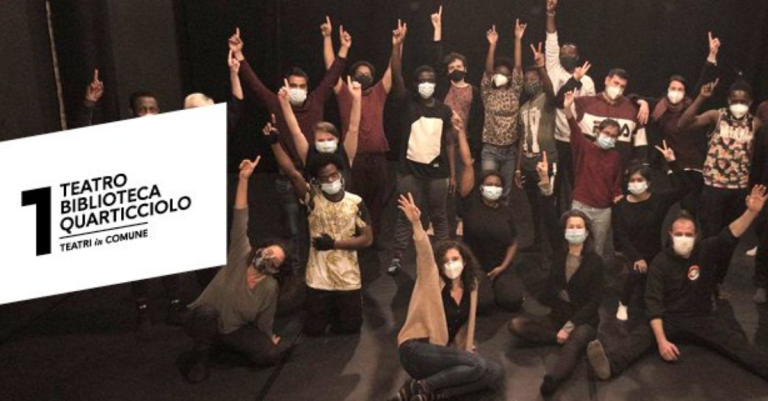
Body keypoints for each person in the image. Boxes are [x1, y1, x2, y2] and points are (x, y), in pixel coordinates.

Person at [587, 187, 768, 382]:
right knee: (638, 338)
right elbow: (653, 305)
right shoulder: (660, 262)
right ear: (671, 235)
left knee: (735, 342)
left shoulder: (705, 250)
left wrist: (751, 212)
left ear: (696, 236)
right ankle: (609, 366)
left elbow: (731, 233)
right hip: (669, 318)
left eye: (688, 234)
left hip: (701, 317)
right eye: (679, 234)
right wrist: (662, 342)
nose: (683, 238)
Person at [229, 25, 347, 276]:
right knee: (292, 230)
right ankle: (295, 273)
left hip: (315, 177)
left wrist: (344, 48)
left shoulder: (316, 100)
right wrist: (239, 54)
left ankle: (323, 269)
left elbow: (332, 75)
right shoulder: (276, 102)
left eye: (302, 86)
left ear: (307, 87)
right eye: (293, 85)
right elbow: (254, 84)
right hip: (287, 178)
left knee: (322, 225)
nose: (297, 89)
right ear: (286, 85)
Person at [183, 155, 288, 383]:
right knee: (207, 313)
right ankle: (201, 357)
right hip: (202, 320)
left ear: (277, 269)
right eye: (268, 251)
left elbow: (265, 320)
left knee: (270, 354)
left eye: (275, 260)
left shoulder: (269, 287)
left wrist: (268, 339)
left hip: (231, 331)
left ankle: (221, 347)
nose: (268, 257)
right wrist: (244, 179)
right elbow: (241, 214)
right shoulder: (240, 255)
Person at [265, 122, 373, 336]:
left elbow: (367, 239)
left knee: (350, 329)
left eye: (333, 175)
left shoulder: (355, 202)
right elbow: (293, 174)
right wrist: (275, 143)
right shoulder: (313, 199)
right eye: (325, 178)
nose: (331, 180)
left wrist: (334, 244)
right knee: (313, 331)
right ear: (318, 181)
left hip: (348, 279)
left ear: (340, 174)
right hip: (318, 279)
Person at [393, 193, 503, 401]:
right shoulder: (431, 280)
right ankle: (419, 387)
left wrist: (466, 347)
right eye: (446, 261)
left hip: (443, 353)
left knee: (494, 372)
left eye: (455, 259)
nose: (451, 264)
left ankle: (435, 395)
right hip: (417, 349)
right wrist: (416, 224)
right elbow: (425, 254)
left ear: (464, 261)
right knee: (477, 365)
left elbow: (462, 327)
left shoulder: (471, 288)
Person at [678, 78, 762, 298]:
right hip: (713, 189)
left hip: (738, 190)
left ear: (750, 102)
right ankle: (702, 279)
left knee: (731, 238)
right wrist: (701, 98)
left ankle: (718, 281)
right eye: (735, 100)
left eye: (743, 100)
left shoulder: (755, 123)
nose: (739, 104)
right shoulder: (716, 116)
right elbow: (683, 124)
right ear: (728, 100)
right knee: (710, 238)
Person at [508, 209, 605, 396]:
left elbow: (594, 303)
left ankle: (554, 378)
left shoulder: (596, 262)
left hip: (583, 321)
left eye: (579, 227)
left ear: (586, 233)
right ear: (565, 232)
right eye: (571, 227)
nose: (575, 230)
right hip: (558, 316)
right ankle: (557, 338)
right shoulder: (559, 256)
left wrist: (568, 327)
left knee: (574, 343)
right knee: (516, 325)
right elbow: (551, 289)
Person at [387, 21, 456, 275]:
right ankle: (397, 257)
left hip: (438, 173)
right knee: (405, 215)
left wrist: (453, 175)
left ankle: (443, 256)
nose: (426, 83)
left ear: (436, 84)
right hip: (409, 172)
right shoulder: (408, 104)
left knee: (440, 217)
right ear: (416, 84)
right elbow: (397, 76)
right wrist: (397, 46)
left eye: (430, 80)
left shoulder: (444, 109)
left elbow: (448, 142)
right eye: (422, 80)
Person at [322, 17, 397, 243]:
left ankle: (373, 241)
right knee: (354, 201)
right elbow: (331, 70)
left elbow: (393, 69)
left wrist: (397, 46)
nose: (364, 76)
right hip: (353, 160)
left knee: (377, 203)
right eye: (360, 73)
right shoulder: (345, 93)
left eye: (367, 74)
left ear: (372, 78)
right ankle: (353, 241)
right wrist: (328, 38)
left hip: (378, 158)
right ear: (352, 77)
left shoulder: (379, 92)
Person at [454, 112, 531, 313]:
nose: (493, 188)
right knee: (482, 305)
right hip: (476, 266)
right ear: (481, 187)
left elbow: (513, 243)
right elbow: (468, 163)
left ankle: (499, 285)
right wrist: (461, 132)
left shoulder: (506, 212)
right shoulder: (471, 203)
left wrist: (503, 267)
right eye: (489, 184)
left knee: (513, 301)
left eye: (497, 185)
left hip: (501, 267)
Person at [642, 32, 721, 216]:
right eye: (673, 88)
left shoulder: (691, 106)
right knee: (678, 206)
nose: (676, 92)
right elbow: (632, 97)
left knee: (693, 206)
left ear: (685, 93)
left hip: (695, 165)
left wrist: (712, 54)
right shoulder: (659, 106)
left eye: (680, 89)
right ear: (667, 90)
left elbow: (704, 83)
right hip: (671, 166)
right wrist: (642, 102)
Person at [612, 142, 690, 321]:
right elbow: (621, 236)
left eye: (640, 180)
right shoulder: (621, 205)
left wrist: (673, 163)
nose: (636, 183)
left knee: (664, 278)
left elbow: (686, 188)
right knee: (635, 273)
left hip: (655, 252)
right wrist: (636, 257)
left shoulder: (659, 200)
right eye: (632, 180)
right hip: (632, 253)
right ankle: (623, 303)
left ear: (648, 183)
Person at [430, 5, 485, 237]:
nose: (455, 69)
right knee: (439, 183)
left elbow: (478, 121)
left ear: (466, 69)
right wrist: (437, 29)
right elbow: (436, 59)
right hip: (441, 142)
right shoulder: (443, 87)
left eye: (459, 67)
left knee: (464, 185)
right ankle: (435, 220)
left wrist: (474, 148)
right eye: (451, 67)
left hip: (464, 142)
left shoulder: (474, 90)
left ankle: (462, 219)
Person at [544, 0, 596, 212]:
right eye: (563, 52)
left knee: (577, 183)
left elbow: (590, 113)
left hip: (578, 141)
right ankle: (555, 223)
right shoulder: (554, 68)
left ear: (577, 57)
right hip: (557, 140)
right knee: (554, 186)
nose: (565, 55)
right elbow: (551, 39)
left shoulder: (588, 81)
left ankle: (578, 220)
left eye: (570, 53)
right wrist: (550, 14)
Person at [563, 90, 623, 261]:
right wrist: (567, 108)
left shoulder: (615, 157)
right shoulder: (584, 146)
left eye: (613, 136)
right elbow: (574, 127)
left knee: (598, 251)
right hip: (580, 205)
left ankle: (594, 275)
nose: (609, 138)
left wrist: (617, 194)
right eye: (607, 133)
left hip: (602, 211)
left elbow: (616, 182)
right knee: (575, 246)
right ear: (598, 132)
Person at [515, 42, 560, 253]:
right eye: (526, 80)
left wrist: (541, 67)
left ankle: (552, 249)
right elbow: (521, 138)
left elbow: (551, 91)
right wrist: (518, 167)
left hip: (546, 162)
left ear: (540, 81)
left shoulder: (547, 100)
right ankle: (538, 244)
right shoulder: (523, 107)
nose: (529, 83)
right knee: (534, 207)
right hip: (527, 163)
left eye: (533, 79)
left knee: (547, 206)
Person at [557, 68, 650, 168]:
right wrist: (574, 80)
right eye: (616, 83)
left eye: (622, 86)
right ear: (607, 80)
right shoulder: (584, 103)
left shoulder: (632, 109)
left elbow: (641, 147)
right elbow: (559, 102)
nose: (618, 88)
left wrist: (637, 169)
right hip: (586, 169)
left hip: (618, 171)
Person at [277, 76, 362, 184]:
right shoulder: (308, 154)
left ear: (337, 140)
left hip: (344, 195)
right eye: (321, 140)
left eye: (330, 139)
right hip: (315, 195)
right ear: (314, 142)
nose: (326, 143)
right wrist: (285, 104)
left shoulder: (345, 153)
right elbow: (295, 131)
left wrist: (357, 99)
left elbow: (354, 128)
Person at [480, 21, 526, 202]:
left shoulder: (515, 92)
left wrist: (518, 39)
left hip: (509, 152)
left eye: (505, 74)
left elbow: (518, 68)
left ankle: (503, 218)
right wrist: (492, 45)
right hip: (490, 150)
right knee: (487, 189)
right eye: (498, 72)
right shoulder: (487, 93)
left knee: (504, 193)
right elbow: (488, 71)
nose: (501, 75)